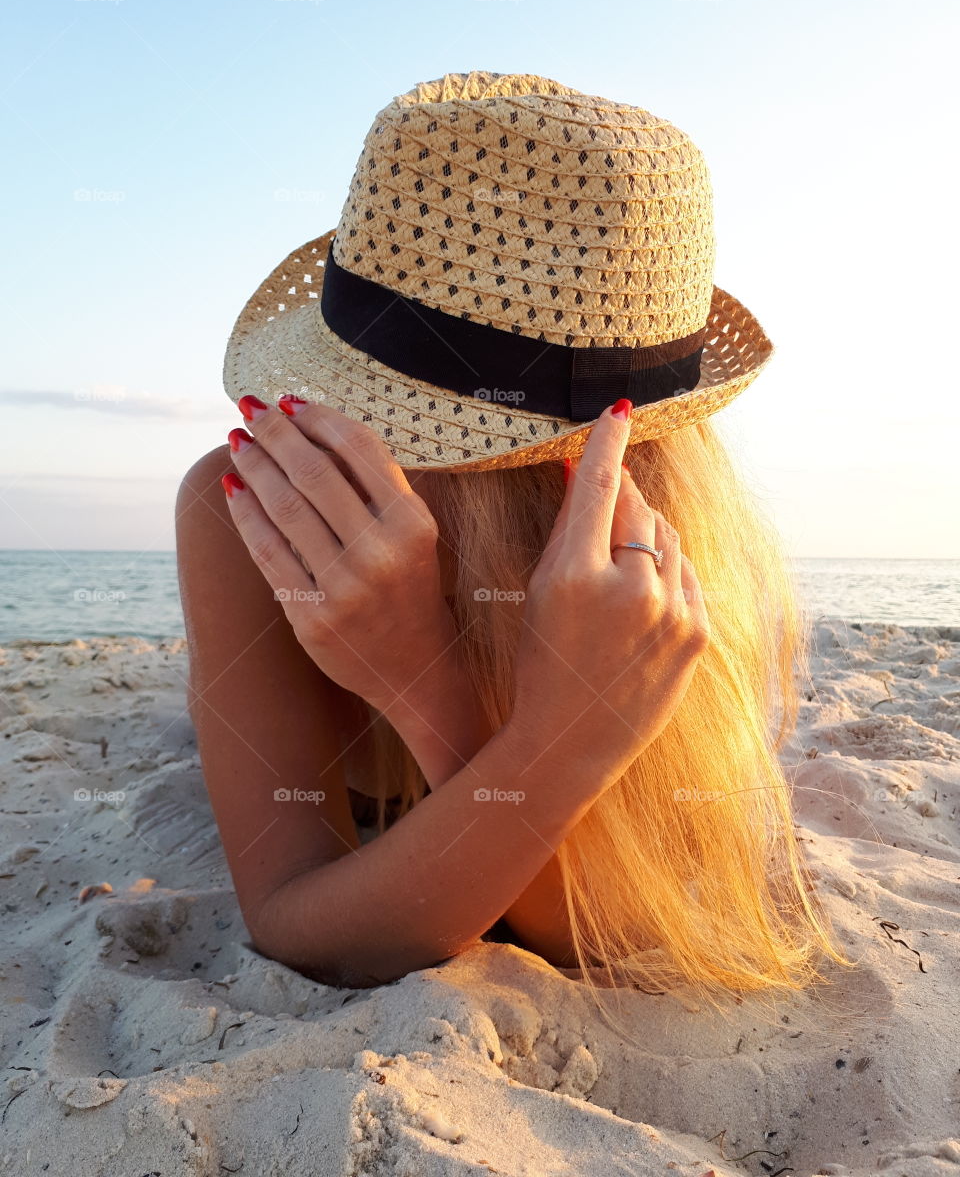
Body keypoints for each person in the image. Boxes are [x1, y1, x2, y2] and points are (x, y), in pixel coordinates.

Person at [175, 71, 852, 1019]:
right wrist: (532, 742)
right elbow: (294, 924)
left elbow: (600, 928)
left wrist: (428, 684)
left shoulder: (664, 553)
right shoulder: (253, 502)